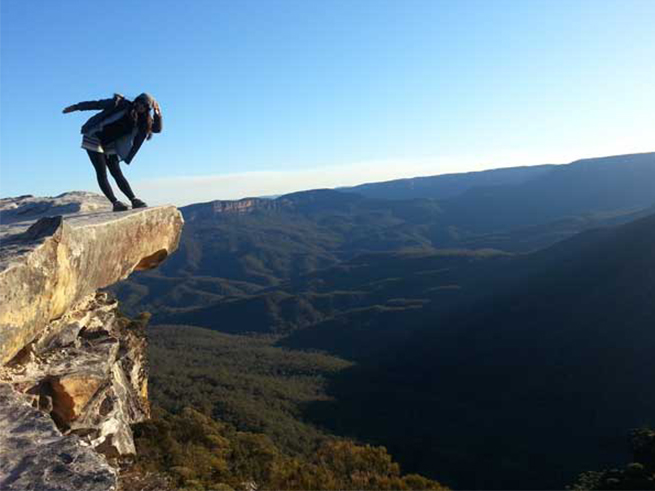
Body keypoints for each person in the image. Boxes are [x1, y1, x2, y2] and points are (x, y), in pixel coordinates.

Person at [62, 93, 163, 211]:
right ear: (136, 101)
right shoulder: (119, 104)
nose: (141, 107)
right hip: (94, 136)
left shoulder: (143, 120)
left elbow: (157, 129)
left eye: (145, 106)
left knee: (116, 172)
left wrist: (158, 114)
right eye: (141, 103)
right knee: (101, 171)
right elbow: (96, 104)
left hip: (109, 143)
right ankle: (115, 203)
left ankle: (134, 200)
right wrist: (76, 107)